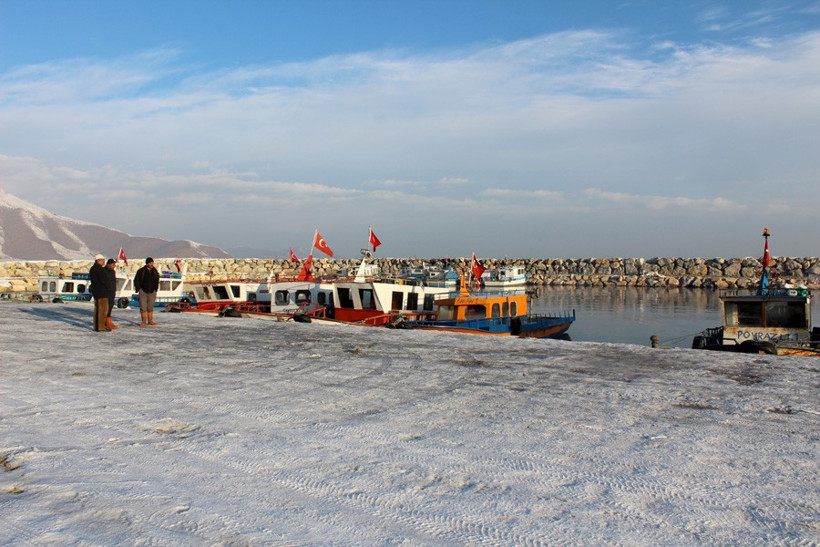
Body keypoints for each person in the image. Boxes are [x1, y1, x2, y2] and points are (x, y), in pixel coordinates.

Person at [134, 257, 160, 327]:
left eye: (152, 263)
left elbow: (157, 280)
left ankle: (150, 320)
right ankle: (143, 321)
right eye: (150, 263)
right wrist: (139, 288)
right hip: (143, 291)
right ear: (147, 263)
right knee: (143, 307)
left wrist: (155, 289)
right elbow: (136, 280)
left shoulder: (154, 271)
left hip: (152, 291)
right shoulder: (141, 271)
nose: (152, 264)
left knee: (150, 307)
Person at [89, 254, 111, 331]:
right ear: (98, 260)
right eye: (102, 260)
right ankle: (101, 327)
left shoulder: (93, 269)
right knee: (103, 310)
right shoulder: (99, 269)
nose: (104, 262)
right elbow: (104, 280)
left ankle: (96, 326)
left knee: (97, 309)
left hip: (96, 291)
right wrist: (108, 286)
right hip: (102, 292)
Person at [104, 258, 119, 330]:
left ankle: (108, 321)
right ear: (108, 265)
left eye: (114, 265)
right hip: (106, 292)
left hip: (112, 292)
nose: (114, 266)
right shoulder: (104, 271)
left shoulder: (112, 271)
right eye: (113, 264)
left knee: (110, 307)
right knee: (106, 308)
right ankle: (106, 322)